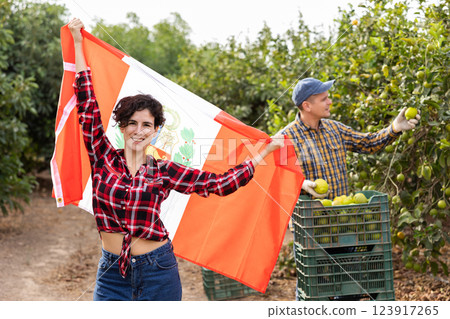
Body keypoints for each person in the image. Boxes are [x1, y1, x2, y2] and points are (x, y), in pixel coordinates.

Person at [68, 18, 284, 301]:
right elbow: (87, 105)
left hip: (157, 270)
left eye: (147, 125)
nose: (138, 130)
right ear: (121, 127)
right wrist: (78, 42)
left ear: (156, 130)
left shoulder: (165, 171)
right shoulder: (102, 156)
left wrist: (262, 153)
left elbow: (220, 184)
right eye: (132, 123)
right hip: (111, 274)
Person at [281, 77, 420, 199]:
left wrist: (395, 127)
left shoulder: (335, 129)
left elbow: (368, 143)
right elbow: (278, 179)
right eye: (324, 99)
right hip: (309, 220)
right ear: (307, 106)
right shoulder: (285, 138)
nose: (330, 102)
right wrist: (301, 184)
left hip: (341, 216)